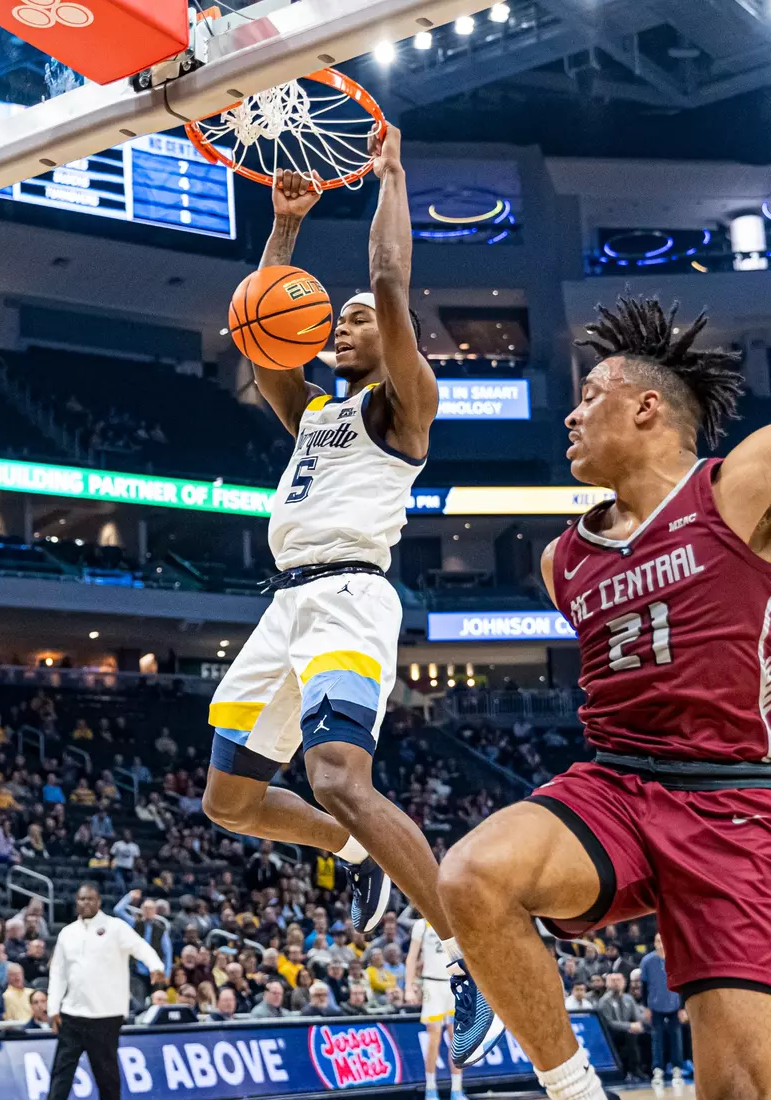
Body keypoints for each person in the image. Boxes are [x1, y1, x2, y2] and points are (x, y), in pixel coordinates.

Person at [200, 126, 495, 1061]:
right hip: (285, 605)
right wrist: (284, 229)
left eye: (356, 317)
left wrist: (392, 176)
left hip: (349, 599)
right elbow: (263, 347)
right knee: (228, 801)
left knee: (335, 776)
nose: (345, 322)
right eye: (341, 317)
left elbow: (393, 283)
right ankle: (355, 850)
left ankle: (466, 951)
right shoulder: (315, 413)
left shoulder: (401, 406)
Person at [438, 295, 770, 1100]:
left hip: (733, 801)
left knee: (740, 1089)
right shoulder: (562, 560)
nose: (571, 416)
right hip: (616, 785)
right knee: (471, 875)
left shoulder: (739, 489)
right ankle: (575, 1089)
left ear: (647, 406)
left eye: (590, 396)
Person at [47, 883, 166, 1100]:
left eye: (90, 899)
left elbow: (139, 946)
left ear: (99, 902)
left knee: (107, 1077)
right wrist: (53, 1008)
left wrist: (155, 966)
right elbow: (58, 973)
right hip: (72, 1014)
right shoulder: (67, 933)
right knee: (60, 1074)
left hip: (106, 1016)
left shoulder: (115, 927)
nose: (85, 903)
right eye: (81, 899)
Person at [406, 917, 464, 1100]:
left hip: (455, 983)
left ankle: (457, 1090)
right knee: (434, 1037)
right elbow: (411, 957)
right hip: (432, 985)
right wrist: (408, 987)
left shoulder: (454, 920)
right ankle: (430, 1088)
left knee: (457, 1038)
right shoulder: (421, 925)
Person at [641, 934, 686, 1088]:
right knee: (657, 1039)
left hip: (675, 1006)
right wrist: (646, 1007)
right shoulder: (647, 961)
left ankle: (677, 1070)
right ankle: (658, 1070)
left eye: (662, 940)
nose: (660, 944)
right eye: (657, 941)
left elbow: (682, 985)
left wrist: (682, 1008)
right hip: (655, 1006)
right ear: (654, 943)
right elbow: (644, 987)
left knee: (676, 1039)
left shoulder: (677, 959)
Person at [113, 890, 172, 1003]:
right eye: (145, 908)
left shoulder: (161, 929)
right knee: (138, 1000)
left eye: (151, 908)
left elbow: (167, 952)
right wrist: (129, 897)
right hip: (137, 970)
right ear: (141, 910)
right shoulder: (134, 923)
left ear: (155, 911)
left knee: (157, 1001)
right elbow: (118, 910)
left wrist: (167, 973)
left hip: (155, 971)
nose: (148, 911)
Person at [598, 974, 644, 1083]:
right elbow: (609, 1023)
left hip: (628, 1031)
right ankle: (634, 1070)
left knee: (647, 1034)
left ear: (624, 982)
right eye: (613, 980)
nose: (616, 983)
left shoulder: (629, 998)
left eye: (618, 980)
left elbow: (637, 1017)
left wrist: (639, 1025)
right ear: (607, 984)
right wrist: (630, 1026)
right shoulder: (604, 1001)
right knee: (630, 1035)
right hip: (611, 1034)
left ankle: (650, 1069)